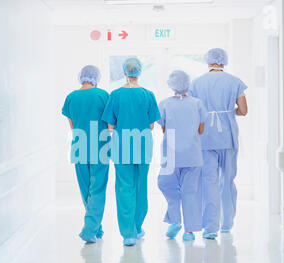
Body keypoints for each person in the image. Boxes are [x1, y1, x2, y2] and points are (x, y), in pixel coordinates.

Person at [189, 48, 248, 240]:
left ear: (208, 61)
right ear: (224, 61)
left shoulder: (196, 83)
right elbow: (244, 110)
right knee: (228, 180)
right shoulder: (235, 82)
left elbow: (193, 111)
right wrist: (229, 113)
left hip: (205, 136)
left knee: (209, 181)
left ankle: (211, 227)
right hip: (228, 135)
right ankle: (227, 222)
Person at [101, 57, 161, 247]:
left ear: (125, 73)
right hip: (143, 145)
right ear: (139, 72)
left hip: (122, 146)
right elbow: (151, 125)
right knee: (140, 186)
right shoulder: (148, 95)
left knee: (124, 187)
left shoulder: (116, 95)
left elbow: (110, 125)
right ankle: (137, 226)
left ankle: (128, 234)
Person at [62, 65, 110, 244]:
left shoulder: (71, 97)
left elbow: (72, 125)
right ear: (96, 78)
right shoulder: (103, 95)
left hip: (80, 146)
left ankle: (95, 226)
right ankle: (90, 229)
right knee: (97, 189)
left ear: (81, 77)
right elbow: (110, 122)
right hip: (101, 146)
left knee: (85, 189)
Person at [157, 70, 208, 241]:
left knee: (167, 186)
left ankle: (175, 219)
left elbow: (163, 128)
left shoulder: (164, 104)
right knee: (190, 192)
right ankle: (189, 231)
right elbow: (201, 130)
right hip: (192, 154)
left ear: (171, 85)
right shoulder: (197, 103)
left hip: (170, 154)